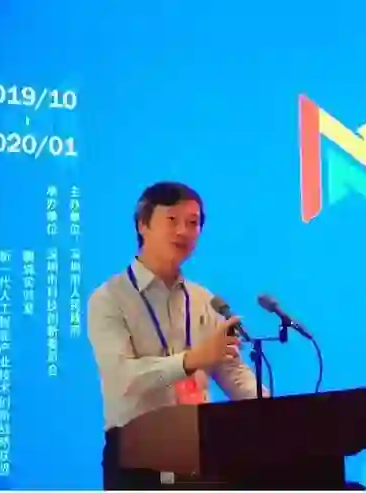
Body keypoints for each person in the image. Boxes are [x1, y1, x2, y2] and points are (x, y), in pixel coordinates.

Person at [86, 181, 262, 490]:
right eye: (172, 220)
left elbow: (233, 373)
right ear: (142, 225)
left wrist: (278, 414)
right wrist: (190, 360)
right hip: (137, 454)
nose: (184, 231)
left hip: (199, 448)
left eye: (193, 223)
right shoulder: (109, 299)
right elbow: (122, 378)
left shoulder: (204, 300)